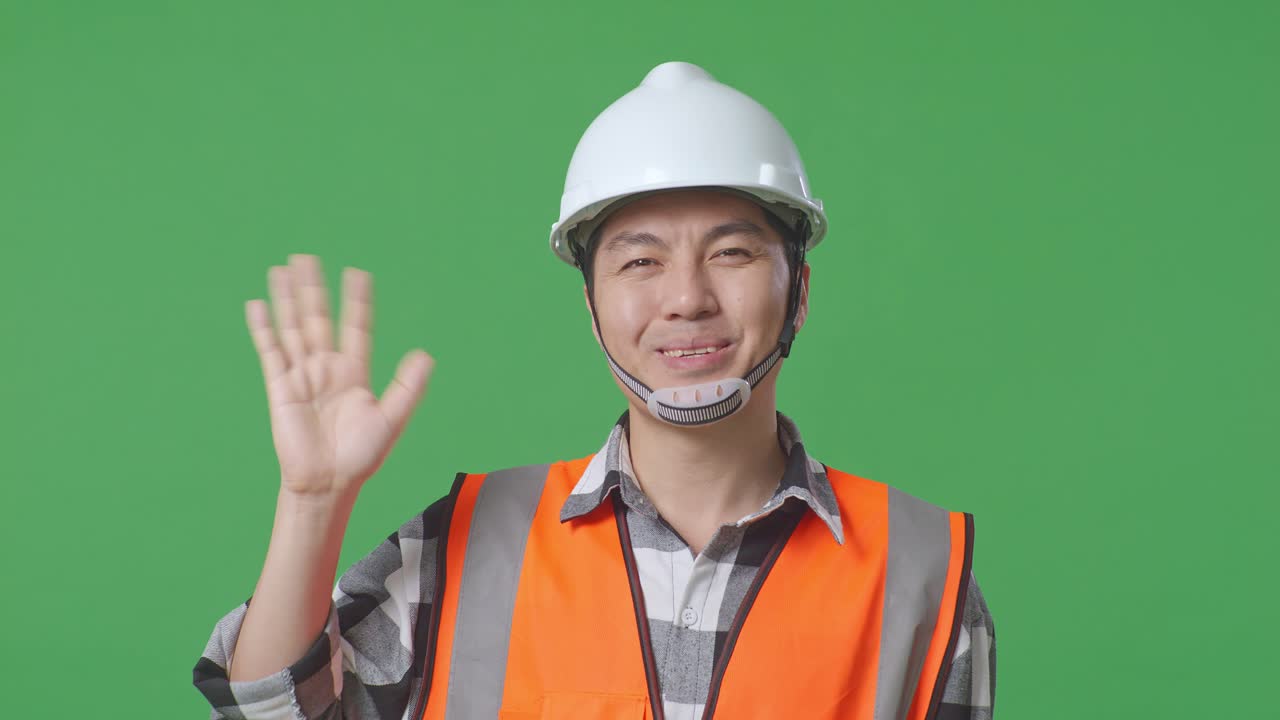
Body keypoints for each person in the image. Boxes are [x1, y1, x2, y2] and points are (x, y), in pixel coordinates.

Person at [193, 61, 996, 720]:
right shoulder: (465, 548)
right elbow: (273, 714)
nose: (686, 298)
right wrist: (313, 501)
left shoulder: (922, 570)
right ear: (592, 304)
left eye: (733, 254)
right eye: (640, 262)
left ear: (801, 293)